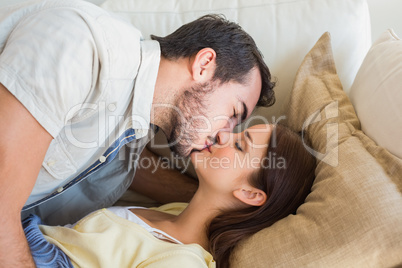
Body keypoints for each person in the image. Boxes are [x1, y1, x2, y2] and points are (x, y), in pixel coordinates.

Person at [0, 0, 276, 266]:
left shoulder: (136, 127)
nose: (223, 135)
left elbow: (115, 158)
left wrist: (215, 199)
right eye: (232, 114)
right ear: (204, 65)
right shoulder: (84, 47)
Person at [22, 124, 316, 268]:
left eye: (240, 146)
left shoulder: (182, 263)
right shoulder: (177, 210)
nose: (224, 135)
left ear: (250, 193)